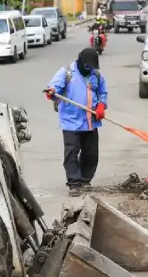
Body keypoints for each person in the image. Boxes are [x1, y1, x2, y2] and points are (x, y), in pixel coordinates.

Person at [44, 48, 109, 197]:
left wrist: (101, 105)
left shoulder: (96, 75)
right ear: (80, 62)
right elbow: (54, 88)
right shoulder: (66, 73)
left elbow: (103, 92)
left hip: (90, 121)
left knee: (91, 153)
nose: (90, 69)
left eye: (92, 67)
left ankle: (85, 179)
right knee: (72, 153)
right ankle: (74, 183)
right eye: (88, 66)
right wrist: (51, 92)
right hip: (71, 121)